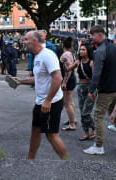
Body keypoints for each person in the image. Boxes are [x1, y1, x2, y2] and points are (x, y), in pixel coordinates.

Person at [14, 31, 68, 160]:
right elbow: (38, 79)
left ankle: (68, 163)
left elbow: (58, 78)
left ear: (35, 41)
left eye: (26, 39)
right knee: (36, 131)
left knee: (51, 135)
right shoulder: (37, 56)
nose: (23, 42)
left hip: (51, 102)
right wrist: (20, 81)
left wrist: (48, 101)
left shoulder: (47, 55)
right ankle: (30, 160)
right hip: (41, 102)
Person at [83, 25, 116, 155]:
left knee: (98, 116)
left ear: (99, 34)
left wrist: (92, 90)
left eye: (92, 35)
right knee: (114, 115)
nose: (91, 38)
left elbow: (96, 73)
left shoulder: (100, 50)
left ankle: (99, 146)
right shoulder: (113, 47)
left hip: (106, 90)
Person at [63, 43, 95, 140]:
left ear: (88, 51)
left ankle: (94, 128)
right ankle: (86, 133)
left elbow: (95, 78)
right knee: (82, 111)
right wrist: (64, 63)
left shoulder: (92, 62)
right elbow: (68, 69)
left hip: (90, 87)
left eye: (83, 49)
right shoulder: (78, 62)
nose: (81, 51)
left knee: (86, 112)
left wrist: (93, 91)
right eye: (80, 49)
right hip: (80, 87)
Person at [59, 37, 77, 131]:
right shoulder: (71, 53)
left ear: (63, 45)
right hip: (72, 78)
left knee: (67, 103)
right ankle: (73, 119)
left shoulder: (65, 55)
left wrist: (64, 82)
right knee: (70, 101)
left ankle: (72, 124)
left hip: (68, 80)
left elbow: (68, 70)